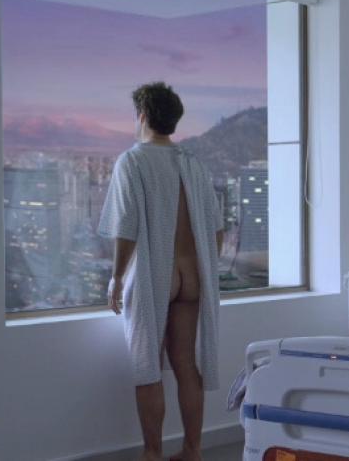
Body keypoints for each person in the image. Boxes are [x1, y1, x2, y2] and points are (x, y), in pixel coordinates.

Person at [99, 82, 224, 461]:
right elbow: (217, 229)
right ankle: (193, 450)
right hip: (193, 276)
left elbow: (126, 227)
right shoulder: (193, 164)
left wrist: (117, 277)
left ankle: (152, 453)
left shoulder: (133, 161)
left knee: (147, 367)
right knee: (185, 363)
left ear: (141, 116)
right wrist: (207, 268)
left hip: (156, 274)